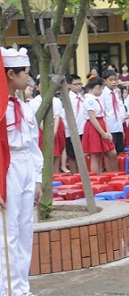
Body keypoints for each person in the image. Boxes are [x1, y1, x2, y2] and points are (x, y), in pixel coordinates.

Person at [0, 47, 43, 296]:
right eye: (24, 73)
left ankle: (22, 287)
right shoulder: (2, 108)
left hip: (26, 165)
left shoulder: (24, 106)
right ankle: (7, 288)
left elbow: (34, 143)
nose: (28, 77)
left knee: (25, 230)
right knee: (9, 232)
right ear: (9, 75)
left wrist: (37, 178)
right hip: (8, 167)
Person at [82, 77, 118, 175]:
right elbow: (93, 118)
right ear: (97, 87)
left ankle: (109, 174)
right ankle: (96, 177)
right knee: (95, 156)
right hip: (94, 128)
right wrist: (102, 133)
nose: (102, 91)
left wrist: (108, 132)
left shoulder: (96, 99)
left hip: (101, 124)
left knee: (111, 152)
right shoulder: (89, 100)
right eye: (102, 88)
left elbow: (103, 117)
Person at [100, 70, 125, 155]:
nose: (114, 82)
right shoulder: (103, 94)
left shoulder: (116, 93)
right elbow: (102, 112)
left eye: (115, 79)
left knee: (120, 150)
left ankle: (118, 168)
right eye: (111, 80)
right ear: (105, 81)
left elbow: (118, 110)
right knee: (111, 153)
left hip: (118, 126)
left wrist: (122, 129)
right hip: (110, 127)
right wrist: (106, 130)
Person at [65, 74, 86, 174]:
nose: (79, 86)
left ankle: (82, 174)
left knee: (82, 154)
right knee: (72, 155)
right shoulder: (67, 98)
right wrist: (71, 130)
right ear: (69, 85)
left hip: (82, 129)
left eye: (80, 84)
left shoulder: (81, 97)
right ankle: (74, 175)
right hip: (72, 131)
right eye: (76, 84)